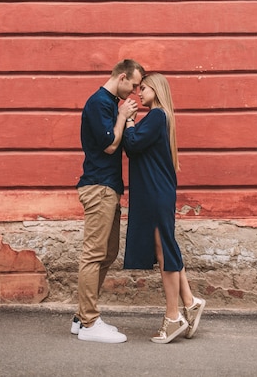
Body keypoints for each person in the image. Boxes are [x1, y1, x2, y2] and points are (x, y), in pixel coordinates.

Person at [123, 72, 205, 344]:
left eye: (143, 88)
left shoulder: (156, 116)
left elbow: (133, 145)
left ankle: (173, 317)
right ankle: (189, 303)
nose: (139, 93)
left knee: (163, 250)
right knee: (166, 247)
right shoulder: (163, 117)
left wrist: (129, 121)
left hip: (155, 192)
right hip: (158, 191)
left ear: (156, 90)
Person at [72, 58, 145, 343]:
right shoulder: (100, 102)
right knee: (93, 254)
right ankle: (90, 323)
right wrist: (121, 115)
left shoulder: (110, 103)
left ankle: (80, 318)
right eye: (135, 85)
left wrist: (125, 118)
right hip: (98, 187)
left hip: (109, 187)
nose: (136, 91)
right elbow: (110, 144)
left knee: (108, 253)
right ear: (123, 77)